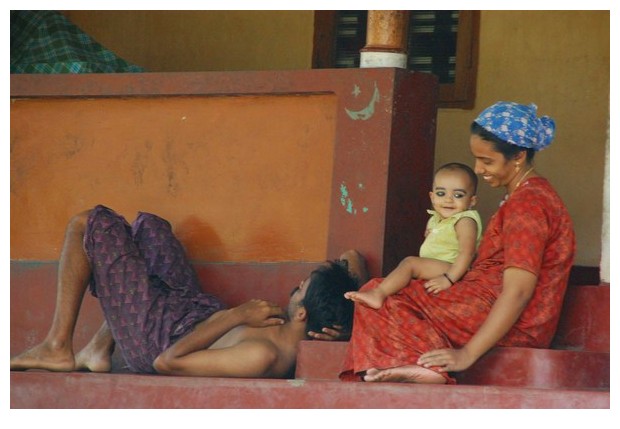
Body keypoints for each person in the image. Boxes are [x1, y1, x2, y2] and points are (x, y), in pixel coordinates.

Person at [340, 101, 575, 384]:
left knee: (378, 292)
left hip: (515, 321)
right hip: (483, 301)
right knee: (387, 289)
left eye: (487, 161)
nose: (477, 169)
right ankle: (419, 365)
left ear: (518, 156)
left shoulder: (528, 205)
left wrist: (467, 354)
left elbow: (518, 292)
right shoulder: (528, 195)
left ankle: (423, 365)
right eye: (476, 159)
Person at [10, 205, 368, 378]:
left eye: (299, 288)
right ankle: (99, 349)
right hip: (188, 309)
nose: (295, 286)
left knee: (89, 224)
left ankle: (57, 346)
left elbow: (168, 362)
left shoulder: (263, 356)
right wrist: (352, 313)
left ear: (302, 312)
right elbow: (350, 259)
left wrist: (236, 315)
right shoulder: (298, 322)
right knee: (151, 227)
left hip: (157, 337)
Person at [345, 162, 482, 308]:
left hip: (454, 268)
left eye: (458, 195)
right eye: (441, 193)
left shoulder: (464, 220)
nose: (448, 199)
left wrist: (448, 279)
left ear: (472, 200)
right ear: (432, 197)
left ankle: (378, 294)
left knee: (410, 263)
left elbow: (467, 253)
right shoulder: (437, 219)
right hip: (439, 266)